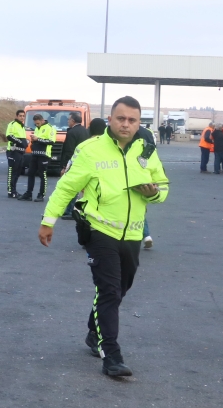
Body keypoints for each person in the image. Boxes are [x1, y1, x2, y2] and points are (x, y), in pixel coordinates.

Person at [38, 96, 168, 378]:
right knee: (108, 289)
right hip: (99, 230)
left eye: (132, 120)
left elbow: (163, 186)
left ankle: (93, 331)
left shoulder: (145, 150)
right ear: (110, 119)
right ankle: (111, 354)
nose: (126, 124)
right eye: (121, 118)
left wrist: (154, 193)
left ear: (138, 122)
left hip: (132, 231)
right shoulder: (90, 149)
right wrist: (48, 221)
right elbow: (65, 188)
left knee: (120, 289)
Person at [58, 111, 90, 219]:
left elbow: (69, 150)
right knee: (81, 188)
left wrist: (64, 166)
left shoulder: (72, 133)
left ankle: (70, 211)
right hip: (85, 163)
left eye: (68, 120)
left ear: (73, 121)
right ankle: (76, 210)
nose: (67, 121)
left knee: (71, 187)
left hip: (74, 163)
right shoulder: (85, 131)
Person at [21, 113, 56, 202]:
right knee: (30, 173)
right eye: (35, 124)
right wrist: (33, 142)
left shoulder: (50, 128)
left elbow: (51, 141)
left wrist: (38, 139)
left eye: (38, 123)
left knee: (42, 175)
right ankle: (29, 193)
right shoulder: (37, 128)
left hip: (44, 155)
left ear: (42, 120)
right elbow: (36, 140)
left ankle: (41, 195)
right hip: (35, 154)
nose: (36, 125)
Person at [5, 109, 29, 198]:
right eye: (20, 116)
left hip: (20, 152)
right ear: (16, 116)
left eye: (23, 116)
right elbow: (9, 136)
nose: (22, 117)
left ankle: (14, 190)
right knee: (12, 172)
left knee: (18, 172)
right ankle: (11, 191)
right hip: (13, 152)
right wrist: (20, 142)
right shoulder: (12, 124)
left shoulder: (22, 126)